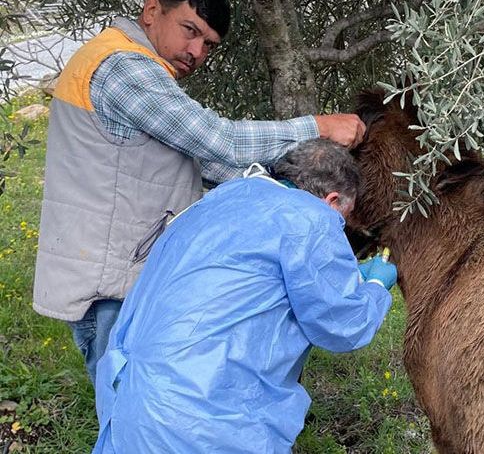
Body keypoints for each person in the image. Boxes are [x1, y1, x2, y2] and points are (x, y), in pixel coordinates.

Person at [32, 0, 366, 383]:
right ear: (152, 10)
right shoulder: (121, 68)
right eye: (189, 30)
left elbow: (197, 162)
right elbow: (218, 141)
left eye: (208, 44)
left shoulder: (129, 66)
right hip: (110, 287)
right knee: (137, 415)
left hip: (121, 275)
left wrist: (287, 189)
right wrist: (316, 126)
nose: (196, 51)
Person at [91, 138, 397, 453]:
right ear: (332, 199)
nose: (339, 226)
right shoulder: (310, 218)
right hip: (200, 417)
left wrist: (338, 281)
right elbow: (343, 325)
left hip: (128, 399)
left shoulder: (222, 197)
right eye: (342, 218)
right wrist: (374, 287)